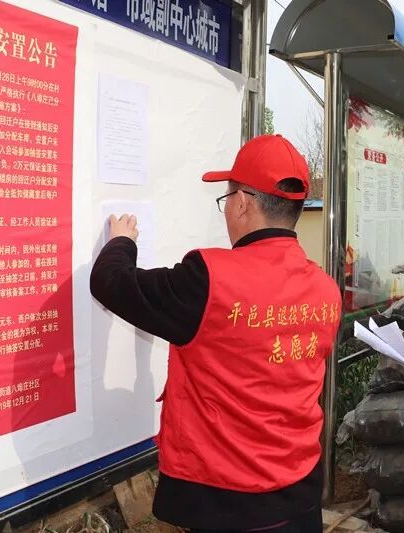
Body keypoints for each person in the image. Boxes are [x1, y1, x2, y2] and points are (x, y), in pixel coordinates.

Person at [90, 134, 342, 532]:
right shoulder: (326, 289)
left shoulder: (208, 280)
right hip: (301, 497)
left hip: (228, 505)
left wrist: (121, 240)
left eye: (226, 200)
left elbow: (110, 282)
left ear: (242, 203)